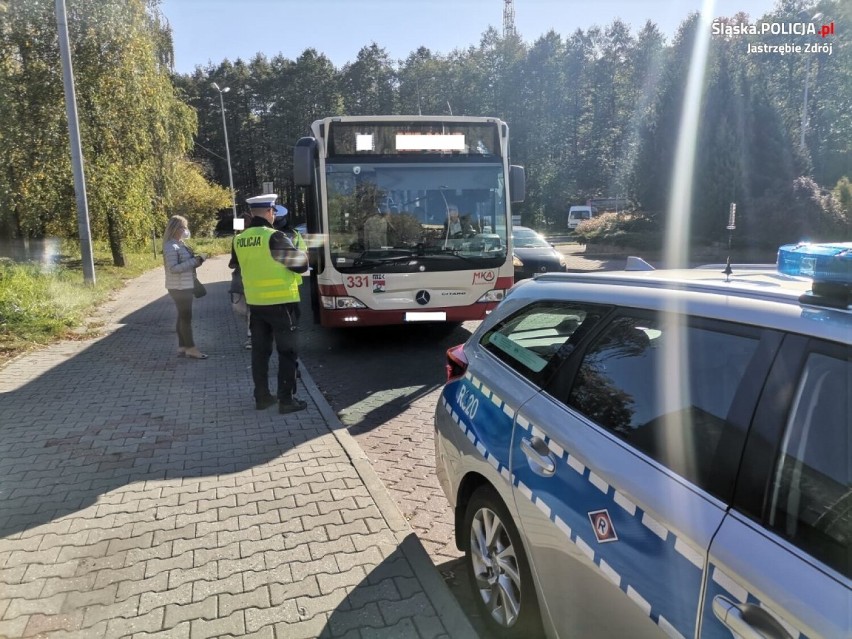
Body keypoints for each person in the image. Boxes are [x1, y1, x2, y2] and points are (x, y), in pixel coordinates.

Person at [232, 193, 309, 414]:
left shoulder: (240, 239)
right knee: (287, 352)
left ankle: (262, 397)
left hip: (256, 304)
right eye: (273, 211)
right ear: (269, 212)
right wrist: (303, 255)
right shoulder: (274, 236)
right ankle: (286, 400)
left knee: (260, 352)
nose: (274, 214)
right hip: (282, 303)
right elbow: (299, 266)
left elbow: (234, 264)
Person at [162, 215, 207, 359]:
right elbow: (173, 268)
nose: (185, 230)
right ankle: (191, 348)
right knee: (186, 318)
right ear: (175, 228)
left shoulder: (179, 244)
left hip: (184, 285)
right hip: (179, 287)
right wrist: (194, 262)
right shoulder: (171, 246)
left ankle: (182, 346)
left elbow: (184, 262)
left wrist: (197, 261)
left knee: (182, 316)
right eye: (183, 227)